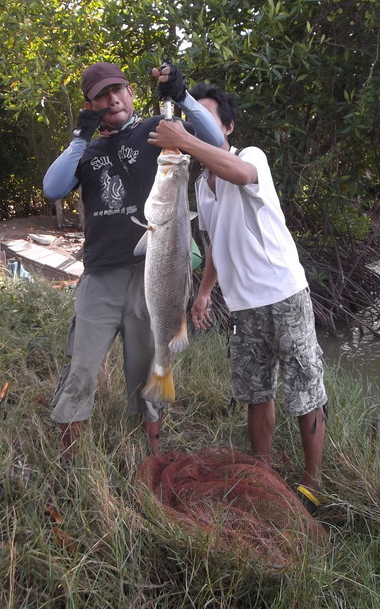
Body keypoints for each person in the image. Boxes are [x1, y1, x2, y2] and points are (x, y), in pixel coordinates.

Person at [147, 83, 328, 513]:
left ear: (228, 127)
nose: (199, 129)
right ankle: (262, 470)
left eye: (208, 121)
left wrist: (183, 138)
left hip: (284, 294)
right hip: (243, 306)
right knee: (254, 392)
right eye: (195, 122)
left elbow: (241, 176)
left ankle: (312, 480)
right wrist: (205, 292)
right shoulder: (203, 188)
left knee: (306, 388)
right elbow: (214, 243)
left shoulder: (250, 158)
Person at [43, 63, 224, 456]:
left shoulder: (156, 132)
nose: (113, 100)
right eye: (102, 95)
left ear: (130, 92)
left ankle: (150, 456)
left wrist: (181, 97)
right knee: (81, 370)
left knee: (147, 371)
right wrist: (81, 136)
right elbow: (52, 188)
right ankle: (69, 461)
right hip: (100, 279)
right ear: (90, 104)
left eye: (118, 90)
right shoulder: (85, 151)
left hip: (153, 274)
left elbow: (217, 144)